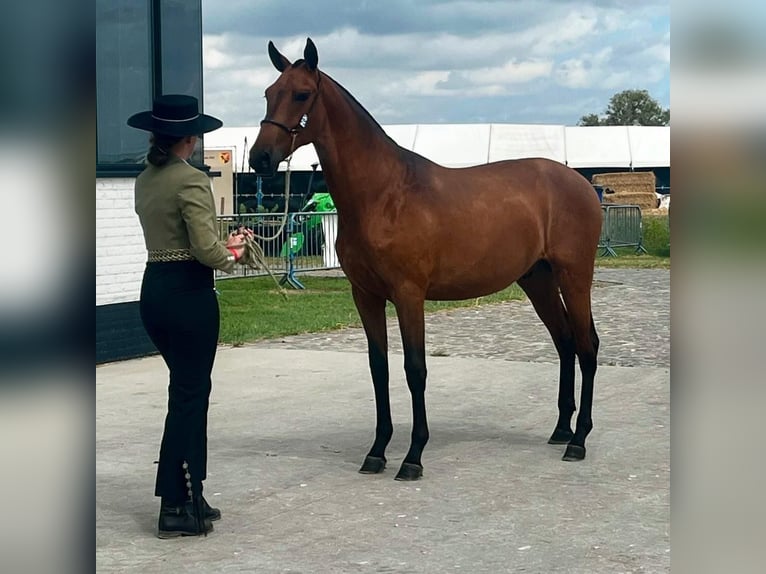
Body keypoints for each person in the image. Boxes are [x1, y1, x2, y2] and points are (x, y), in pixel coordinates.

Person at [127, 94, 251, 538]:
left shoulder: (146, 178)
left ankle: (189, 492)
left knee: (185, 390)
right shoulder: (191, 179)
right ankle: (175, 506)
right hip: (189, 294)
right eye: (196, 133)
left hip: (154, 290)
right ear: (189, 138)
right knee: (190, 395)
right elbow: (206, 249)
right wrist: (234, 251)